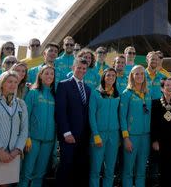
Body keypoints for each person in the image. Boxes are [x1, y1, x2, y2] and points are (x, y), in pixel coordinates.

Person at [55, 58, 91, 187]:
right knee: (66, 166)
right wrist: (66, 132)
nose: (81, 70)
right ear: (73, 68)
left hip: (83, 137)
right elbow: (60, 111)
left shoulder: (88, 89)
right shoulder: (64, 85)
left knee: (78, 169)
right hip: (68, 135)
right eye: (79, 67)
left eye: (84, 68)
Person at [19, 65, 56, 187]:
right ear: (40, 75)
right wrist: (27, 137)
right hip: (33, 139)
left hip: (49, 141)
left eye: (52, 74)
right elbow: (25, 117)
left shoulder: (54, 95)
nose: (49, 76)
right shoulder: (33, 93)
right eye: (46, 73)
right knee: (26, 173)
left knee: (40, 174)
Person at [120, 65, 152, 187]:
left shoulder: (148, 93)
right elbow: (122, 117)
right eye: (136, 74)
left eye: (142, 74)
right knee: (128, 170)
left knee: (142, 170)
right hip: (131, 136)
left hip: (146, 136)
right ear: (132, 76)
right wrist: (126, 138)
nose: (139, 76)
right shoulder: (126, 93)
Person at [89, 68, 120, 187]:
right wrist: (95, 134)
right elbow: (91, 115)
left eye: (113, 75)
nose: (111, 78)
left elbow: (119, 114)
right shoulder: (95, 93)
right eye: (108, 75)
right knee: (96, 169)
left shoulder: (117, 94)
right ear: (103, 77)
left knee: (110, 169)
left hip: (113, 135)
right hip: (99, 134)